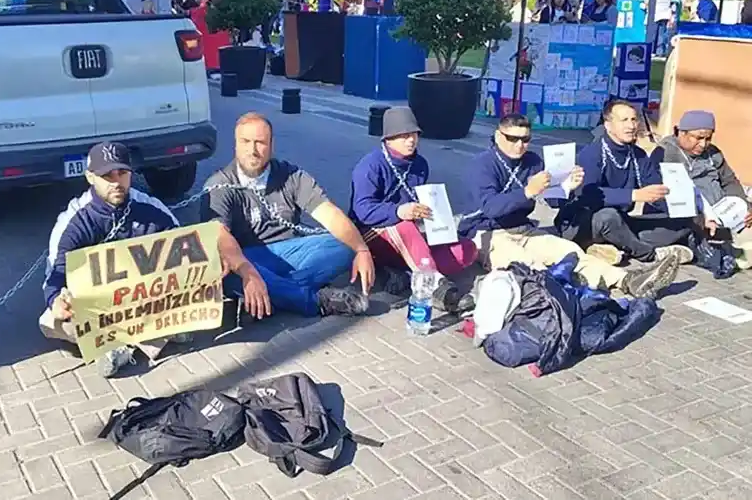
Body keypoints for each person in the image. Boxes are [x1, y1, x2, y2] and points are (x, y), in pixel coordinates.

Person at [40, 142, 270, 377]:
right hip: (99, 307)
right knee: (51, 320)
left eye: (122, 173)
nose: (116, 182)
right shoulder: (75, 221)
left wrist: (209, 265)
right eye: (107, 175)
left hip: (141, 301)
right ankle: (137, 341)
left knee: (186, 293)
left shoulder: (150, 209)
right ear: (90, 177)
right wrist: (56, 300)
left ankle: (128, 343)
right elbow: (54, 276)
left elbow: (184, 250)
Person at [458, 113, 680, 299]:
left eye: (525, 139)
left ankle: (629, 280)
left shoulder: (533, 160)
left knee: (569, 251)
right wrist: (527, 191)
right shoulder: (483, 164)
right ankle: (569, 289)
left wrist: (568, 186)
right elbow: (490, 207)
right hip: (487, 232)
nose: (519, 145)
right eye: (512, 138)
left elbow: (554, 201)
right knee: (525, 263)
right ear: (498, 136)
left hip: (523, 229)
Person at [201, 112, 375, 318]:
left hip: (291, 251)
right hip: (247, 257)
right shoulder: (219, 184)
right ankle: (316, 301)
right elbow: (220, 236)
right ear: (235, 144)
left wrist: (362, 250)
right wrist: (248, 272)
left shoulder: (291, 176)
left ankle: (274, 293)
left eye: (260, 142)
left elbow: (328, 213)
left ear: (271, 145)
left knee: (345, 244)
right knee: (226, 271)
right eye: (245, 141)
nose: (252, 150)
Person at [349, 107, 478, 311]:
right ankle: (438, 289)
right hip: (371, 233)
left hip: (409, 235)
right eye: (404, 136)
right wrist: (399, 212)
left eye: (414, 134)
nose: (411, 140)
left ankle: (410, 276)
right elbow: (362, 210)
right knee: (405, 227)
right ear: (388, 139)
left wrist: (434, 217)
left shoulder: (420, 165)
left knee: (466, 249)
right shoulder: (370, 166)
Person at [557, 100, 695, 266]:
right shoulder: (591, 153)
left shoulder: (639, 155)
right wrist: (634, 195)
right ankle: (649, 254)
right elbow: (588, 195)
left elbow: (656, 190)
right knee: (608, 216)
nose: (631, 125)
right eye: (624, 120)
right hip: (582, 224)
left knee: (684, 222)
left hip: (622, 222)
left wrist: (681, 209)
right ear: (608, 125)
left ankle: (613, 247)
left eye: (634, 119)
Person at [651, 110, 752, 248]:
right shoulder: (665, 153)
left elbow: (729, 181)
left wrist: (745, 207)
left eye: (708, 138)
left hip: (725, 214)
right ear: (681, 132)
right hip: (691, 218)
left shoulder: (713, 153)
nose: (703, 144)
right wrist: (701, 219)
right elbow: (664, 195)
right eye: (698, 138)